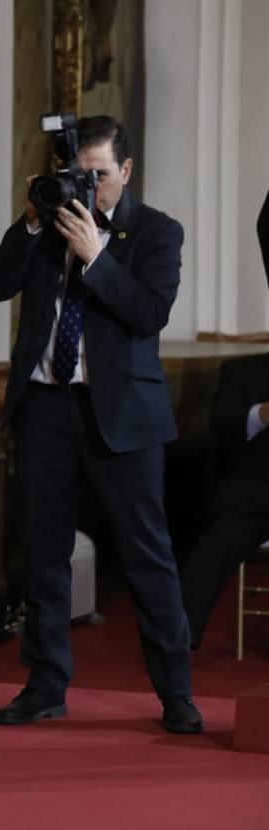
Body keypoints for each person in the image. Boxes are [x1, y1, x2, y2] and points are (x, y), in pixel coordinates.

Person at [0, 115, 203, 734]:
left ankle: (176, 692)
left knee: (148, 556)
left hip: (123, 418)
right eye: (80, 174)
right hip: (46, 407)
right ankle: (46, 683)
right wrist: (31, 219)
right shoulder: (47, 224)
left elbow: (148, 313)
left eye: (99, 176)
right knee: (45, 553)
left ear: (125, 172)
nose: (89, 187)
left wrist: (97, 258)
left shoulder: (157, 231)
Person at [180, 189, 269, 647]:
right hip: (253, 499)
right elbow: (223, 425)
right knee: (214, 547)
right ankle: (177, 642)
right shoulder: (245, 370)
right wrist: (264, 413)